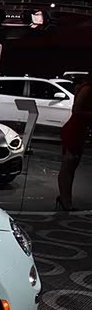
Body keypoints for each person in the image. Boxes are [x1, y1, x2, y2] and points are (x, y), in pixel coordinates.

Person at [57, 73, 92, 210]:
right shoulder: (87, 88)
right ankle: (65, 200)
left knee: (71, 166)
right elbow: (76, 110)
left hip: (80, 130)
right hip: (74, 130)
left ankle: (66, 199)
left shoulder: (86, 87)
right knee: (68, 165)